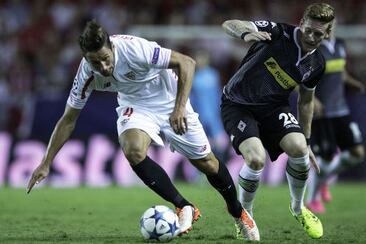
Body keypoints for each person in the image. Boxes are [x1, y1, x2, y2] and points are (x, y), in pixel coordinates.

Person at [26, 20, 259, 241]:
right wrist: (46, 162)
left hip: (169, 99)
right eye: (96, 63)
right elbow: (68, 120)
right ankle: (183, 205)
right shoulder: (86, 73)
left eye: (106, 59)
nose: (103, 67)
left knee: (207, 163)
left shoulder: (134, 49)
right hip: (135, 106)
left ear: (112, 47)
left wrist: (178, 108)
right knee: (133, 150)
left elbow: (187, 62)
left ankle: (239, 213)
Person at [220, 3, 335, 239]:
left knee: (299, 148)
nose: (311, 37)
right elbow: (229, 24)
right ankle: (245, 217)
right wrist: (246, 32)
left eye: (319, 34)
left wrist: (308, 140)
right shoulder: (279, 32)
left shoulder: (316, 64)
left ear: (328, 34)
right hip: (238, 104)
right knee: (255, 159)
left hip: (273, 108)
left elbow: (305, 102)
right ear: (301, 23)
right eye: (308, 30)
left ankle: (298, 207)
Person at [305, 20, 366, 214]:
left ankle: (323, 182)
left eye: (332, 24)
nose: (329, 28)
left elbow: (341, 71)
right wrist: (312, 99)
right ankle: (312, 200)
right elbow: (300, 77)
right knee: (326, 157)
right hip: (322, 114)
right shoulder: (312, 49)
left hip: (342, 110)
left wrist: (353, 82)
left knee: (357, 153)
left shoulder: (340, 44)